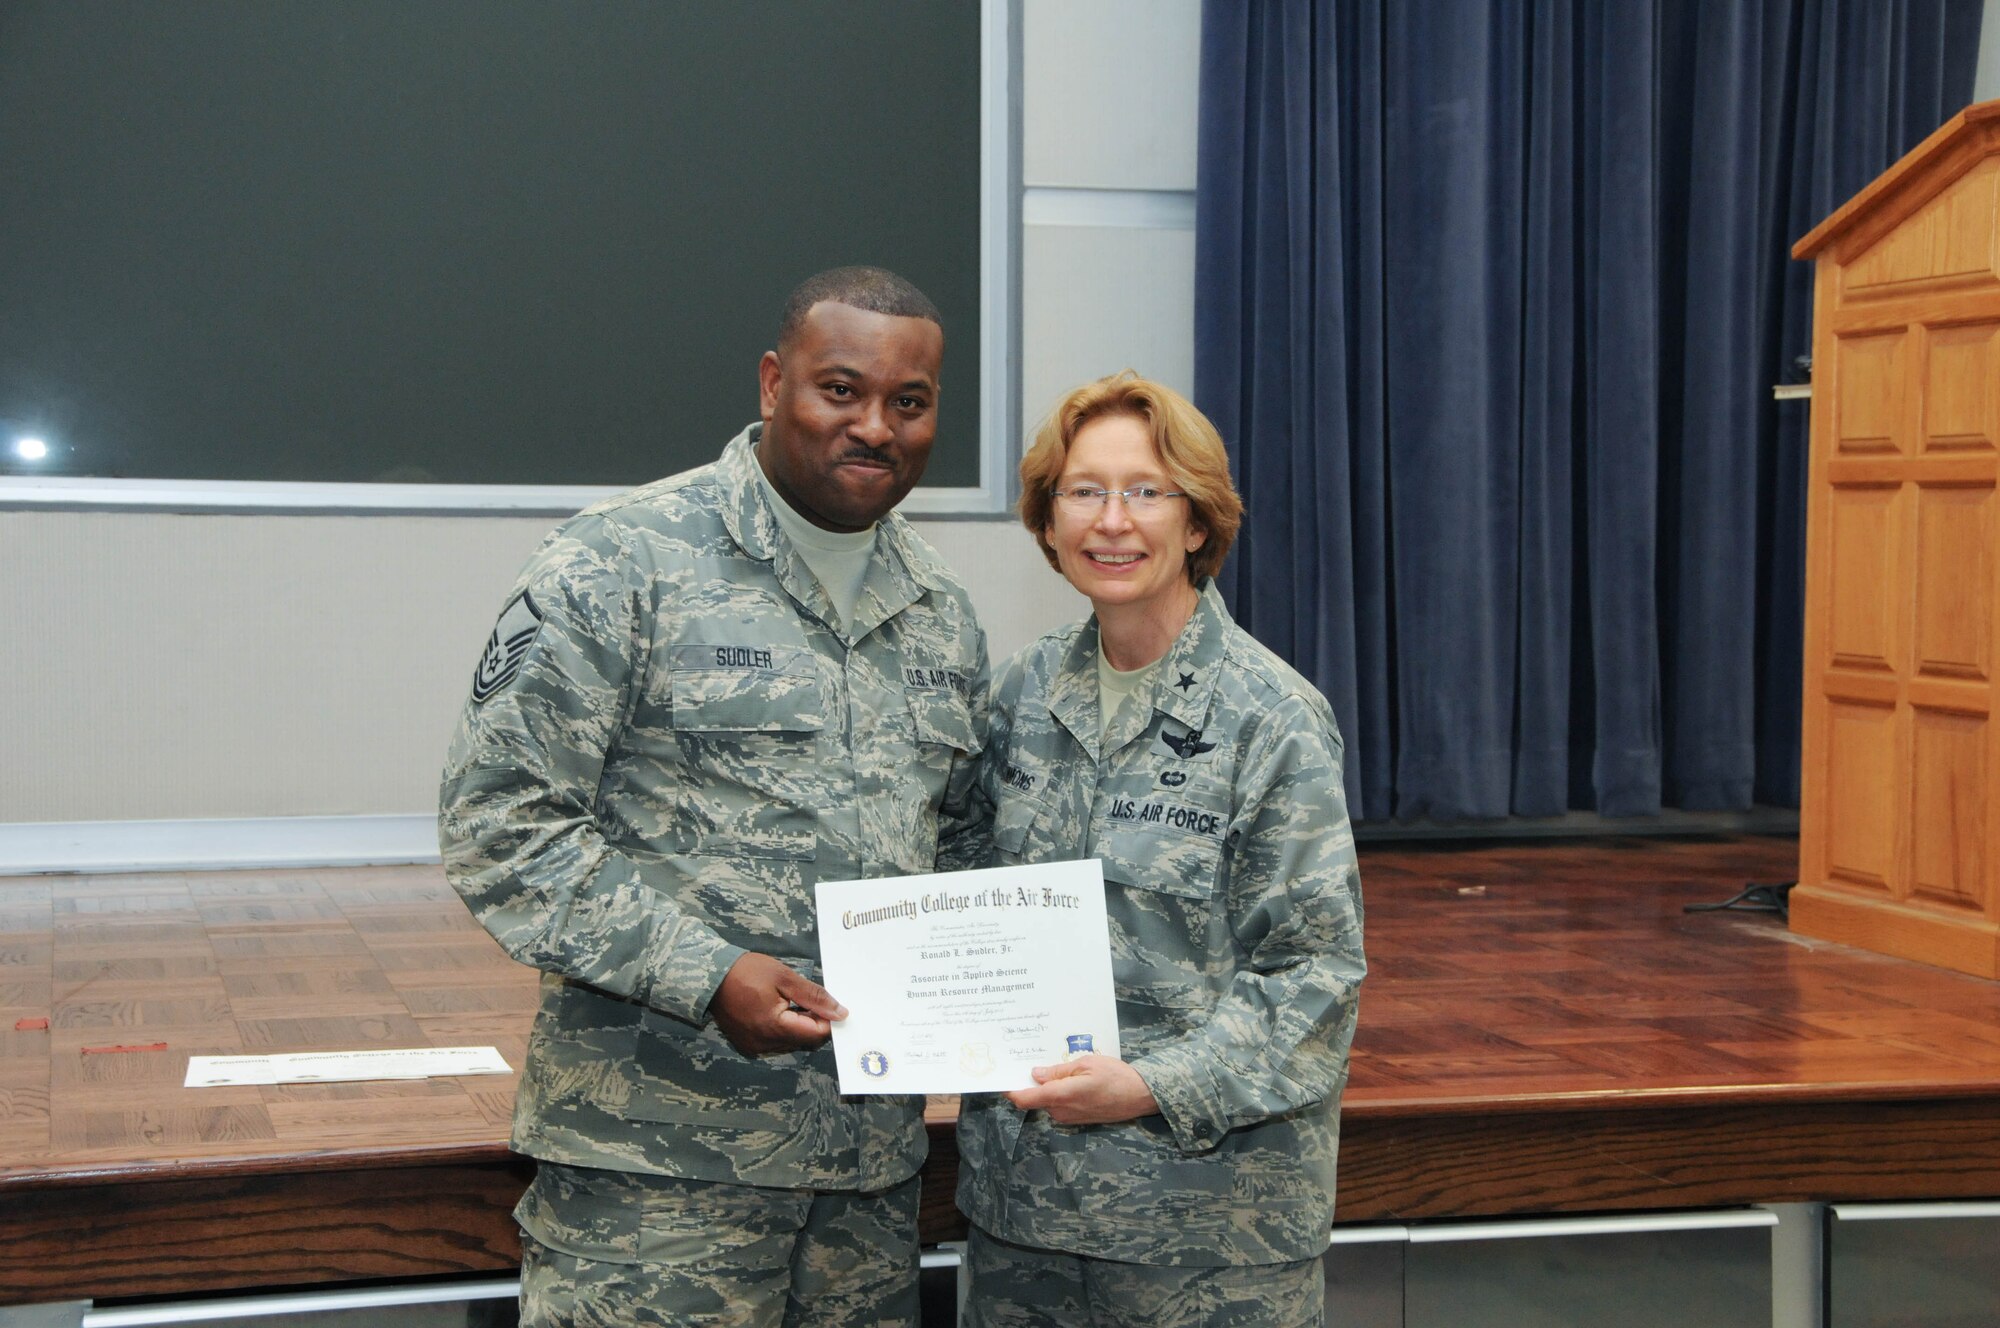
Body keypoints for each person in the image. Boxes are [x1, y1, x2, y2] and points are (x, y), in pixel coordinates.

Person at [439, 266, 988, 1328]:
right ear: (774, 382)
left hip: (865, 1183)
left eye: (908, 402)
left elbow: (956, 844)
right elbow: (499, 826)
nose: (874, 425)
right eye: (841, 389)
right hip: (657, 1178)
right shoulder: (618, 561)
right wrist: (706, 974)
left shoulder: (941, 614)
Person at [956, 372, 1364, 1327]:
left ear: (1197, 523)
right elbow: (960, 891)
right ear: (1048, 524)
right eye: (1083, 491)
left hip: (1205, 1236)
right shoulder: (1017, 697)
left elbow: (1314, 977)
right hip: (1027, 1220)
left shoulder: (1271, 717)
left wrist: (1147, 1086)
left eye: (1145, 490)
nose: (1112, 520)